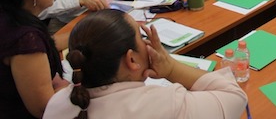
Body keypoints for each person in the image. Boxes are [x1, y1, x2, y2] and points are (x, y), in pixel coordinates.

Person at [43, 9, 248, 118]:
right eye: (142, 38)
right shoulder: (165, 104)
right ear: (131, 59)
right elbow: (235, 97)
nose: (147, 43)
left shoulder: (56, 103)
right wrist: (171, 68)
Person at [0, 0, 68, 118]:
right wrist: (72, 88)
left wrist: (87, 32)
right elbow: (44, 108)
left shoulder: (11, 17)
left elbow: (48, 44)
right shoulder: (25, 39)